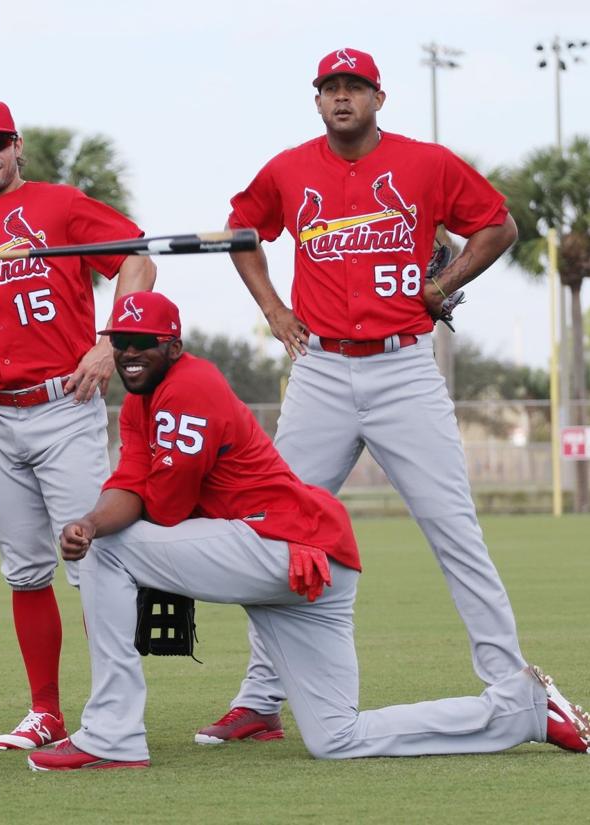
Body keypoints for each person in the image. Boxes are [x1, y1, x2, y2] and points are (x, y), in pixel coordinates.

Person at [27, 290, 590, 771]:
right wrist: (88, 522)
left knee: (110, 554)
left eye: (142, 343)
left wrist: (101, 538)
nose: (128, 353)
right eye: (119, 343)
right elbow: (129, 486)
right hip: (314, 563)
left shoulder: (188, 388)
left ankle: (111, 735)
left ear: (172, 346)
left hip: (279, 547)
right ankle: (518, 711)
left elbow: (168, 509)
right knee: (335, 737)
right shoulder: (141, 402)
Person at [201, 46, 529, 744]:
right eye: (331, 88)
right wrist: (272, 309)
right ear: (316, 100)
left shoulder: (427, 163)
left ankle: (512, 682)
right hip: (320, 368)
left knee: (454, 530)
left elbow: (499, 223)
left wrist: (441, 285)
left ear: (380, 98)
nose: (342, 97)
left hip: (404, 366)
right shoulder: (289, 169)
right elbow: (241, 232)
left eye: (355, 86)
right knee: (277, 527)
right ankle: (261, 697)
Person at [0, 99, 157, 750]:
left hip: (64, 405)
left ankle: (114, 710)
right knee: (25, 569)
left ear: (17, 145)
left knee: (92, 560)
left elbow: (137, 256)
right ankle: (45, 712)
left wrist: (114, 339)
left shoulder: (59, 205)